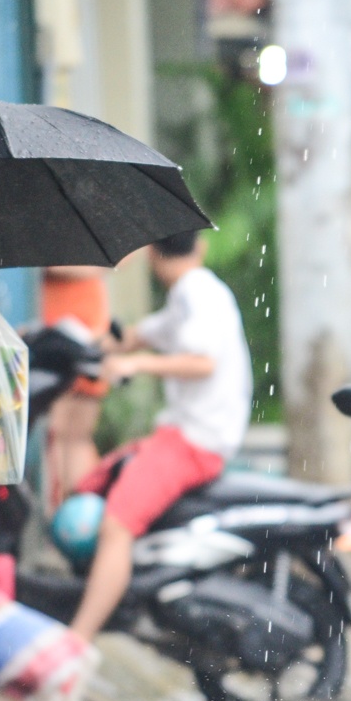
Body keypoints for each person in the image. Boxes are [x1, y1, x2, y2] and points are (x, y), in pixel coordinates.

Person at [66, 230, 252, 642]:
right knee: (94, 482)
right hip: (187, 436)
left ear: (151, 254)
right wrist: (93, 346)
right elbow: (140, 334)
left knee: (116, 524)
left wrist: (137, 365)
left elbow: (202, 362)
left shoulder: (196, 292)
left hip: (194, 441)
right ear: (199, 247)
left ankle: (77, 639)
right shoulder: (195, 292)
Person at [39, 264, 114, 507]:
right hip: (78, 328)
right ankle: (72, 512)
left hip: (72, 331)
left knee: (67, 435)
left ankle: (71, 513)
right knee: (66, 437)